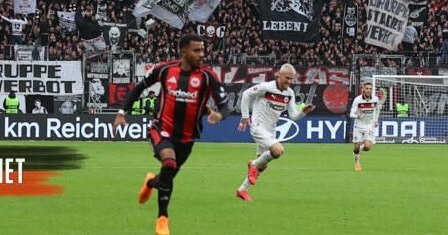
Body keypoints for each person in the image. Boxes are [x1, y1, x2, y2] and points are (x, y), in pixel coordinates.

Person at [113, 33, 224, 235]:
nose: (202, 54)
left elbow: (225, 106)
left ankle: (150, 182)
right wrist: (122, 112)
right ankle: (162, 219)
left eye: (203, 50)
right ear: (183, 52)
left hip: (187, 138)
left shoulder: (208, 77)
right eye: (196, 50)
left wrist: (219, 114)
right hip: (161, 129)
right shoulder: (164, 69)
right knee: (169, 163)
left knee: (166, 178)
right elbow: (139, 87)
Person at [236, 62, 315, 201]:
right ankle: (252, 164)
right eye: (287, 78)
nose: (289, 82)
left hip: (271, 130)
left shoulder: (289, 93)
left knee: (263, 165)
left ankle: (242, 190)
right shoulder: (266, 87)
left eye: (291, 79)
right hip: (258, 126)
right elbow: (247, 94)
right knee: (278, 150)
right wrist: (244, 116)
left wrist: (303, 112)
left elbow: (293, 116)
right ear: (279, 75)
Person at [349, 82, 384, 170]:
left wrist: (375, 120)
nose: (369, 90)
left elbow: (377, 109)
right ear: (363, 89)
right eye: (367, 88)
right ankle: (357, 163)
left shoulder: (375, 99)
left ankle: (361, 149)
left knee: (368, 147)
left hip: (369, 125)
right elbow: (351, 114)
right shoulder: (357, 100)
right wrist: (357, 116)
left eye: (370, 89)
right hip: (358, 125)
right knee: (356, 147)